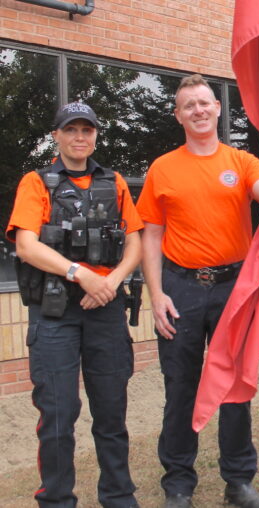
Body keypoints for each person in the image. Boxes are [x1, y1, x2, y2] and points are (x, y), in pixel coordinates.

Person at [136, 74, 259, 508]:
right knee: (181, 387)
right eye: (188, 105)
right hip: (180, 287)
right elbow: (150, 236)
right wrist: (156, 295)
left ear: (216, 109)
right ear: (178, 116)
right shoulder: (162, 168)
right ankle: (178, 481)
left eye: (204, 103)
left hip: (234, 287)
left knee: (234, 385)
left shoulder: (242, 161)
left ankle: (238, 480)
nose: (198, 110)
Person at [7, 102, 142, 507]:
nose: (79, 137)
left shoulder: (113, 181)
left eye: (87, 130)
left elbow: (134, 241)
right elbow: (26, 244)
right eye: (71, 130)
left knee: (111, 413)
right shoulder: (37, 182)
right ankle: (57, 500)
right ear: (57, 136)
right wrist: (81, 274)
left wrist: (111, 281)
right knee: (58, 415)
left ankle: (118, 497)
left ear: (96, 136)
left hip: (105, 308)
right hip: (55, 313)